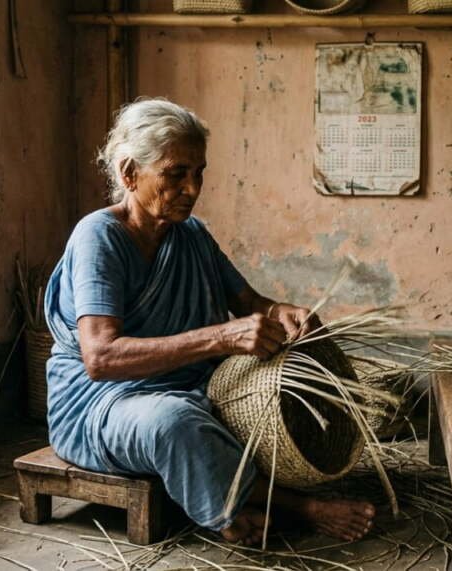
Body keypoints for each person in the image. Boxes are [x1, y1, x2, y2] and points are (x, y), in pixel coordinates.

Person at [44, 98, 375, 545]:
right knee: (174, 423)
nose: (193, 189)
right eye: (175, 174)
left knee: (280, 393)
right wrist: (221, 338)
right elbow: (100, 357)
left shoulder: (191, 235)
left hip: (189, 386)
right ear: (129, 173)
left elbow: (251, 303)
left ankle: (237, 488)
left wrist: (284, 314)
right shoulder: (99, 237)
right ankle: (297, 510)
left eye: (199, 173)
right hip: (102, 405)